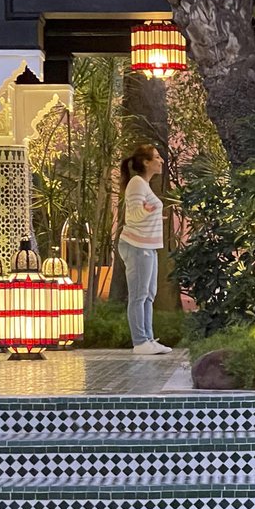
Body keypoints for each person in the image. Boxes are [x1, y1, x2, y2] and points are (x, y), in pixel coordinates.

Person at [118, 144, 172, 355]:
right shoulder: (137, 183)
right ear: (146, 162)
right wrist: (148, 211)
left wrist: (154, 215)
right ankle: (140, 341)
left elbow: (141, 213)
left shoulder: (143, 185)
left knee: (149, 294)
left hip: (148, 245)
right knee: (139, 295)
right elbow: (133, 216)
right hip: (137, 246)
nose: (161, 161)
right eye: (157, 157)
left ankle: (148, 339)